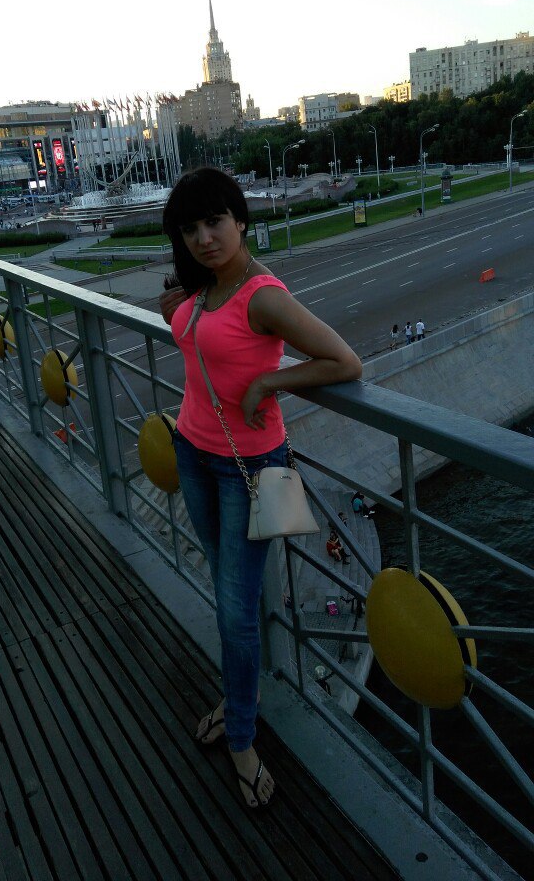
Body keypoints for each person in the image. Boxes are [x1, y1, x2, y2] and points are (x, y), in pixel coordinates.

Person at [159, 167, 362, 809]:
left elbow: (344, 362)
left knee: (235, 612)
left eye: (214, 221)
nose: (204, 237)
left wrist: (270, 382)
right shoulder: (201, 289)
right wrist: (176, 311)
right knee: (228, 597)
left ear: (241, 221)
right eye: (190, 228)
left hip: (245, 469)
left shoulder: (262, 295)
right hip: (192, 451)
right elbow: (192, 337)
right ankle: (237, 699)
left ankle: (243, 738)